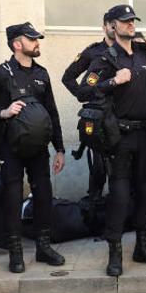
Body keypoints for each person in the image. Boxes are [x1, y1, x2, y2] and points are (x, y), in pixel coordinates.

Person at [81, 4, 146, 277]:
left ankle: (142, 247)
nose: (130, 25)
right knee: (120, 196)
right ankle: (115, 252)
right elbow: (85, 89)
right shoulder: (106, 59)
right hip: (119, 137)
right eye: (125, 21)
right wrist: (113, 82)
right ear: (112, 26)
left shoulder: (145, 53)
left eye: (133, 21)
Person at [0, 22, 66, 273]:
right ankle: (15, 253)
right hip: (9, 149)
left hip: (38, 149)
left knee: (43, 195)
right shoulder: (0, 73)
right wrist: (3, 112)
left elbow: (53, 112)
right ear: (17, 44)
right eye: (32, 39)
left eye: (37, 39)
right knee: (13, 198)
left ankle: (43, 247)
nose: (37, 43)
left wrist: (59, 149)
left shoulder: (42, 73)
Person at [61, 11, 115, 212]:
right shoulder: (93, 52)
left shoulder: (130, 50)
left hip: (122, 114)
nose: (113, 28)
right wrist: (84, 94)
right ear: (104, 27)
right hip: (100, 117)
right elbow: (68, 77)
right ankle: (95, 205)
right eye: (110, 25)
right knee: (99, 165)